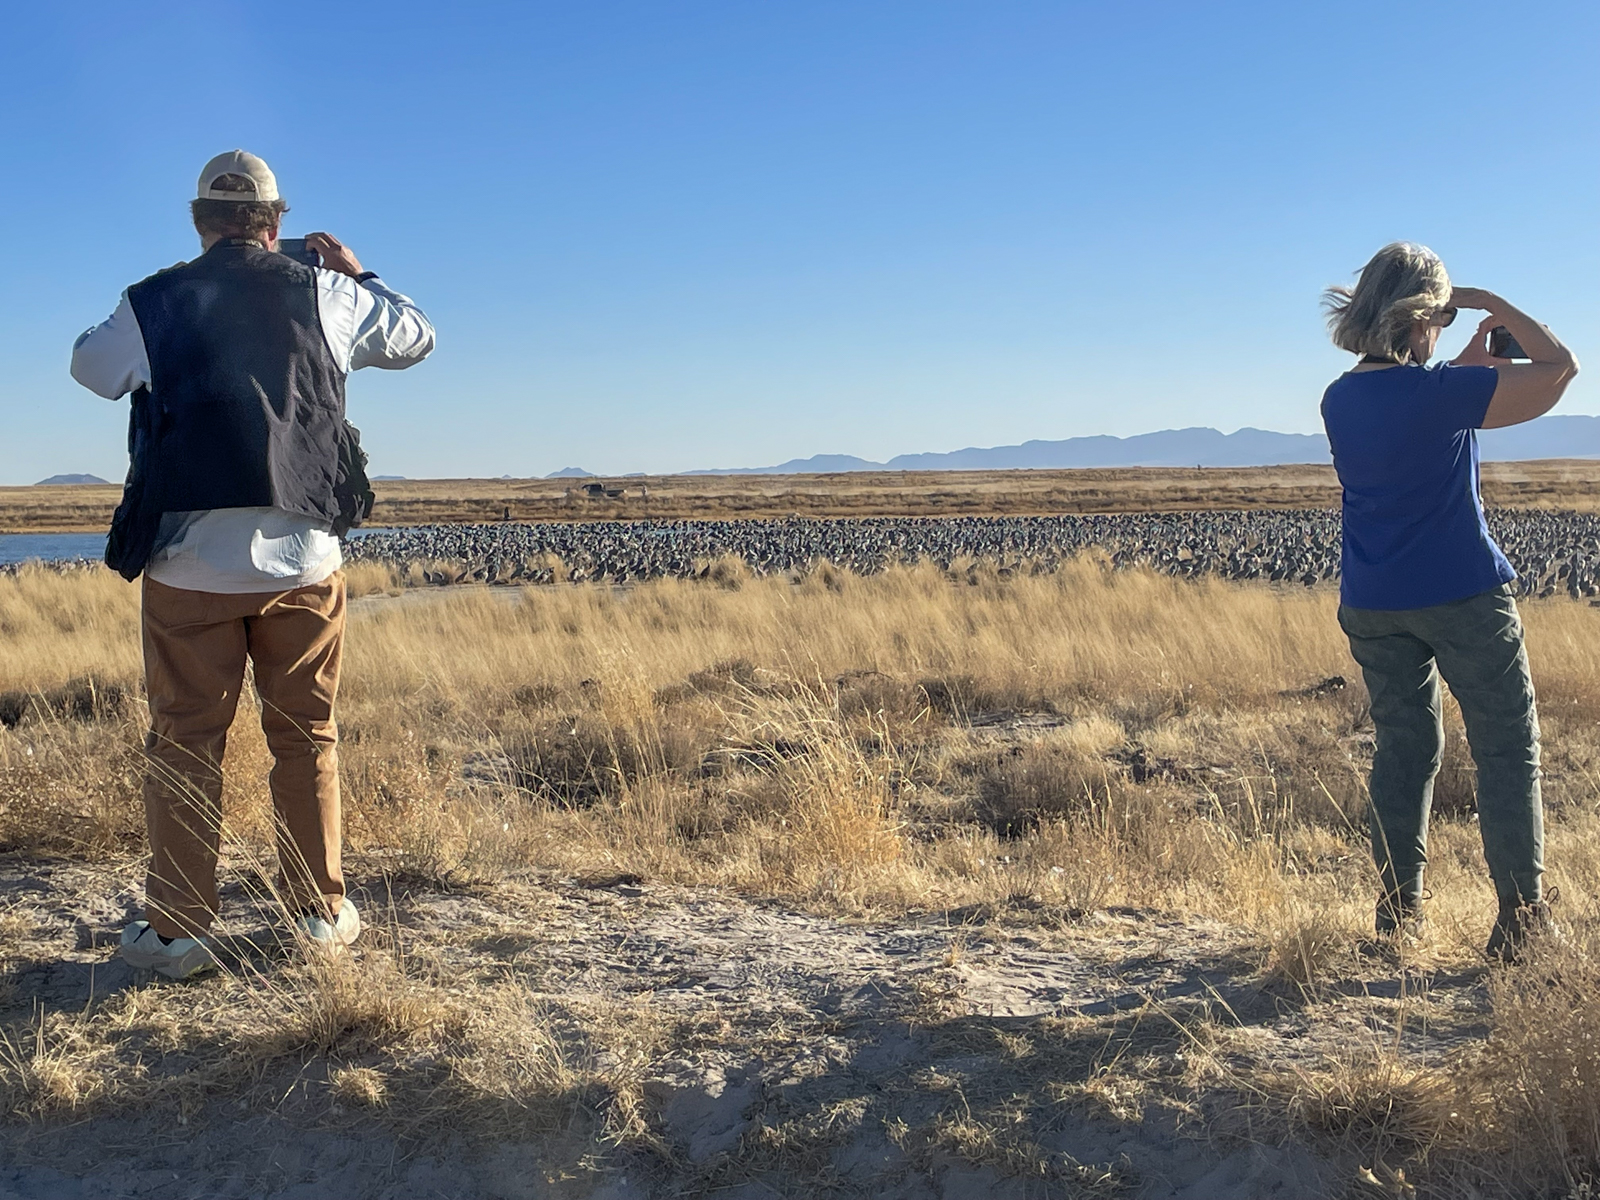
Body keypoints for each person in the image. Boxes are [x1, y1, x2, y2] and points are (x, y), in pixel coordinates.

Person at [70, 150, 435, 978]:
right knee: (304, 735)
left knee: (184, 743)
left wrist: (156, 298)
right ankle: (316, 915)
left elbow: (90, 366)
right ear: (276, 223)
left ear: (200, 221)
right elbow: (418, 337)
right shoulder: (329, 293)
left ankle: (178, 931)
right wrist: (357, 269)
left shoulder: (155, 298)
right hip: (304, 558)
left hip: (187, 564)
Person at [1320, 242, 1578, 960]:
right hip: (1461, 590)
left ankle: (1398, 915)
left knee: (1405, 748)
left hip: (1374, 599)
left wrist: (1457, 343)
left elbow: (1426, 394)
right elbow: (1560, 370)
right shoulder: (1440, 396)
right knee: (1506, 746)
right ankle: (1522, 923)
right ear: (1419, 316)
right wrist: (1495, 304)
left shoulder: (1341, 399)